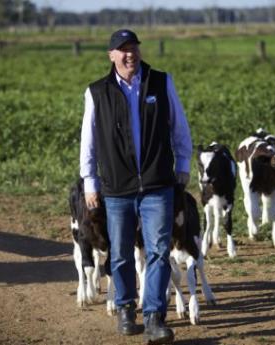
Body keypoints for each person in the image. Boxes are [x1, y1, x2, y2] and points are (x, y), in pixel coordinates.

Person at [79, 29, 192, 344]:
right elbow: (88, 142)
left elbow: (179, 126)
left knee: (157, 250)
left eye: (134, 48)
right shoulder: (97, 92)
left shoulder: (160, 81)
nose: (130, 54)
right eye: (122, 49)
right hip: (117, 186)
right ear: (111, 55)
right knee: (120, 253)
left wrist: (183, 165)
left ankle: (155, 316)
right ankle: (127, 308)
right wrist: (90, 182)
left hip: (157, 182)